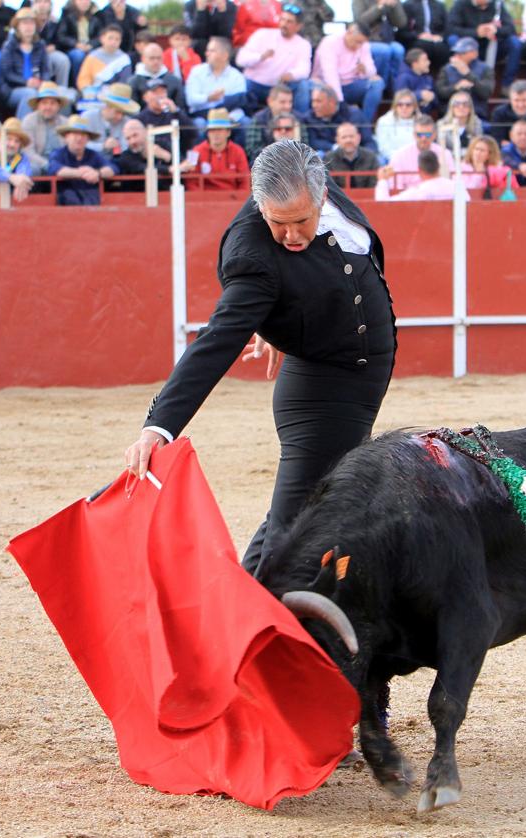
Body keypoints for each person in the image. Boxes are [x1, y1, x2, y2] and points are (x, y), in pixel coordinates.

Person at [125, 139, 396, 580]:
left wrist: (283, 322)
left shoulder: (312, 180)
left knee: (294, 518)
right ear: (258, 204)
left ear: (322, 193)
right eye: (277, 223)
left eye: (300, 221)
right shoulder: (251, 256)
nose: (290, 235)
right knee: (295, 537)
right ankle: (252, 635)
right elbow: (216, 341)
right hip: (322, 396)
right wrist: (160, 427)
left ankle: (240, 618)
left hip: (350, 386)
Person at [235, 4, 312, 113]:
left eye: (289, 22)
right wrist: (260, 57)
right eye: (282, 19)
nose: (284, 24)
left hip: (280, 87)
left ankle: (301, 122)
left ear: (298, 26)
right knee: (241, 84)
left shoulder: (303, 44)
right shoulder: (262, 34)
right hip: (255, 85)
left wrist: (291, 74)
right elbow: (240, 60)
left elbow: (304, 69)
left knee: (302, 85)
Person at [312, 22, 386, 125]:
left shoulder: (363, 45)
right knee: (317, 87)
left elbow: (372, 71)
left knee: (377, 83)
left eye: (362, 43)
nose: (359, 46)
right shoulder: (330, 43)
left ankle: (364, 125)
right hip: (326, 86)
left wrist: (365, 70)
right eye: (357, 42)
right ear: (349, 33)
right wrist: (339, 101)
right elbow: (330, 75)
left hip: (351, 84)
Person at [446, 0, 522, 96]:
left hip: (493, 47)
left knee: (515, 43)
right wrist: (476, 32)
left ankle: (507, 85)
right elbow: (450, 29)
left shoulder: (497, 4)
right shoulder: (460, 4)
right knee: (453, 40)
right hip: (469, 47)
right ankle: (469, 79)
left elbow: (511, 28)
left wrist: (496, 30)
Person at [47, 113, 119, 204]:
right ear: (66, 137)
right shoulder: (58, 154)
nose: (79, 138)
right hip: (66, 203)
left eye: (83, 135)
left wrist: (98, 173)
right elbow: (55, 168)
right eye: (75, 134)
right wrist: (82, 173)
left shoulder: (93, 155)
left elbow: (113, 168)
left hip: (91, 201)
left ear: (88, 139)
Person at [185, 35, 247, 129]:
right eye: (207, 50)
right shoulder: (197, 71)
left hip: (229, 116)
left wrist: (229, 118)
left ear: (225, 55)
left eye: (212, 51)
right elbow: (191, 100)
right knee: (199, 124)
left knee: (246, 122)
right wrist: (209, 98)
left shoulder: (237, 76)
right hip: (202, 116)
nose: (207, 53)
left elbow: (240, 103)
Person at [0, 7, 51, 119]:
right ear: (17, 26)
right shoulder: (9, 46)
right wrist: (26, 82)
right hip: (13, 89)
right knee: (30, 94)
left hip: (38, 86)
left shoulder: (40, 45)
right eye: (24, 23)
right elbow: (7, 73)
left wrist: (42, 82)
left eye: (31, 23)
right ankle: (23, 131)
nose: (28, 27)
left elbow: (46, 70)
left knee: (56, 95)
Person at [186, 107, 249, 189]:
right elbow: (191, 183)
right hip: (203, 199)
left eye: (219, 130)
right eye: (212, 130)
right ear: (208, 133)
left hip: (234, 199)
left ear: (228, 132)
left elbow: (245, 181)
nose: (216, 134)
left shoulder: (238, 151)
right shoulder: (196, 151)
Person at [304, 82, 375, 154]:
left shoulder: (354, 115)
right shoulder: (310, 117)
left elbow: (368, 141)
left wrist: (367, 156)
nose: (314, 105)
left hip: (356, 156)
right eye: (313, 101)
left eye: (318, 101)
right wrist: (335, 147)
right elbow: (313, 141)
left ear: (332, 102)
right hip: (329, 158)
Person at [244, 83, 308, 163]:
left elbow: (306, 148)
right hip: (266, 163)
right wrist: (278, 153)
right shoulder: (259, 119)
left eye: (290, 102)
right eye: (282, 102)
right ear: (270, 101)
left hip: (295, 163)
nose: (288, 106)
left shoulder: (298, 119)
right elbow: (252, 150)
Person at [388, 113, 454, 188]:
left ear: (434, 135)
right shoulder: (399, 156)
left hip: (438, 196)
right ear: (414, 135)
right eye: (419, 135)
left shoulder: (445, 154)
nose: (423, 138)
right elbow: (395, 186)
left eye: (427, 135)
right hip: (409, 197)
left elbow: (452, 182)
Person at [435, 36, 494, 121]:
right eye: (456, 53)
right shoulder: (447, 69)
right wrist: (456, 87)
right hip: (450, 117)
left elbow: (486, 93)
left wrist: (468, 74)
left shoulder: (485, 69)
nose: (457, 56)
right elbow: (440, 93)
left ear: (474, 53)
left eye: (462, 53)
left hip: (476, 116)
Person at [352, 0, 407, 90]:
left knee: (399, 50)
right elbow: (360, 21)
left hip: (388, 39)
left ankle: (395, 87)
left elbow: (401, 23)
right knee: (384, 51)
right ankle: (381, 86)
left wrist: (395, 6)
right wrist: (379, 7)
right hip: (368, 40)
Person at [115, 117, 180, 190]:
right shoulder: (126, 156)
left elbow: (182, 162)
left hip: (168, 192)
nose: (132, 141)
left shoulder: (162, 144)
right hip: (137, 196)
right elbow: (141, 168)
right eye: (128, 138)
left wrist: (167, 157)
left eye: (135, 135)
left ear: (145, 132)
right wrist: (168, 169)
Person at [375, 148, 465, 200]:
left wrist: (382, 180)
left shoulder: (416, 193)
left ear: (419, 170)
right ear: (438, 166)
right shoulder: (457, 189)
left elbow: (384, 204)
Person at [138, 77, 195, 154]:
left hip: (177, 156)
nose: (160, 96)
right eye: (156, 93)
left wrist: (176, 111)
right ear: (145, 97)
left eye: (163, 92)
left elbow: (193, 133)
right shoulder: (140, 119)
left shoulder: (174, 114)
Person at [21, 81, 69, 174]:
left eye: (52, 103)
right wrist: (48, 165)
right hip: (39, 164)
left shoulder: (66, 122)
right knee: (32, 169)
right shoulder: (29, 121)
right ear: (38, 105)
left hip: (63, 166)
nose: (48, 107)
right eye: (44, 103)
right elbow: (28, 152)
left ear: (59, 106)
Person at [81, 82, 139, 154]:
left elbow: (127, 147)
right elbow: (80, 144)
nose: (120, 117)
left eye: (123, 113)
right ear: (107, 107)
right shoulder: (88, 117)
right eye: (117, 112)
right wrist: (102, 146)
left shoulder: (127, 123)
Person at [76, 22, 132, 96]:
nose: (113, 42)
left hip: (115, 97)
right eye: (110, 38)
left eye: (117, 39)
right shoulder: (92, 56)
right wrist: (88, 91)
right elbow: (84, 79)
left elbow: (124, 81)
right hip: (93, 95)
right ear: (102, 39)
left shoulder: (124, 60)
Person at [397, 0, 450, 76]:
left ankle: (440, 78)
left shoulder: (439, 5)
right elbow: (402, 31)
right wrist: (418, 35)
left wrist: (440, 36)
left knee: (442, 48)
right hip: (415, 39)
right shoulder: (407, 5)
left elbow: (448, 27)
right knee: (424, 47)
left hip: (436, 39)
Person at [55, 0, 103, 85]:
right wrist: (76, 44)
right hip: (73, 48)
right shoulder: (67, 16)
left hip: (90, 47)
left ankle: (94, 85)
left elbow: (100, 36)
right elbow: (61, 36)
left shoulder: (96, 16)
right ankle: (78, 84)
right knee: (78, 55)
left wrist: (91, 45)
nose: (84, 2)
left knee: (95, 55)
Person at [129, 41, 186, 109]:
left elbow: (181, 108)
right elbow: (132, 110)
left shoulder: (174, 80)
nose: (156, 62)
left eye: (159, 58)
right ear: (143, 59)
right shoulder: (134, 81)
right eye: (152, 58)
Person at [323, 121, 379, 187]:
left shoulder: (371, 157)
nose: (348, 140)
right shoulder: (329, 159)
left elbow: (373, 185)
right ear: (337, 140)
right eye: (344, 137)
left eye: (351, 136)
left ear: (359, 138)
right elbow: (330, 187)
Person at [33, 0, 73, 89]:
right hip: (34, 51)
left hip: (51, 51)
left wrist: (55, 46)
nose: (42, 5)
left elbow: (61, 39)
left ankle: (62, 89)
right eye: (39, 2)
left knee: (62, 60)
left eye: (45, 2)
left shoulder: (55, 22)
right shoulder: (30, 21)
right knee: (45, 62)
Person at [376, 89, 419, 161]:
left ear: (414, 107)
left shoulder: (422, 122)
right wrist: (399, 159)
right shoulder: (384, 121)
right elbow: (384, 148)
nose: (404, 107)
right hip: (391, 159)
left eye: (408, 105)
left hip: (415, 159)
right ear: (395, 106)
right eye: (400, 104)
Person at [436, 91, 483, 157]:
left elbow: (478, 147)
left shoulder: (477, 123)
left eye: (465, 104)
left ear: (470, 108)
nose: (461, 107)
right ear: (451, 107)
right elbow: (440, 149)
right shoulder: (442, 124)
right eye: (457, 104)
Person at [394, 48, 437, 114]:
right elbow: (399, 98)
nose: (429, 62)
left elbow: (436, 101)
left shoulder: (428, 78)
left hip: (425, 116)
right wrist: (419, 95)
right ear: (415, 64)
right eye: (425, 60)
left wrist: (432, 97)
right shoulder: (403, 78)